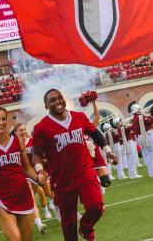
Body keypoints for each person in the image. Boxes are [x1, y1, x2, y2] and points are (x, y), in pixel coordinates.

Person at [32, 89, 118, 241]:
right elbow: (36, 153)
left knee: (96, 206)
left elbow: (95, 133)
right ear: (46, 106)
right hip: (62, 178)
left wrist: (108, 151)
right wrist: (39, 171)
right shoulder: (41, 127)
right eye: (52, 100)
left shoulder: (79, 117)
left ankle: (85, 228)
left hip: (85, 171)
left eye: (59, 98)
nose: (57, 101)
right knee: (68, 222)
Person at [0, 106, 45, 241]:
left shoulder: (18, 141)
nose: (1, 123)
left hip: (23, 194)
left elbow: (26, 168)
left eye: (3, 119)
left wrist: (38, 177)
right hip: (3, 198)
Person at [10, 122, 48, 235]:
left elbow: (39, 154)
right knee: (31, 198)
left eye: (24, 129)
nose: (23, 132)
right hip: (23, 175)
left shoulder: (32, 141)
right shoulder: (13, 145)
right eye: (20, 130)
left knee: (48, 193)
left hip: (36, 173)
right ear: (15, 132)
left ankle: (53, 208)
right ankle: (39, 224)